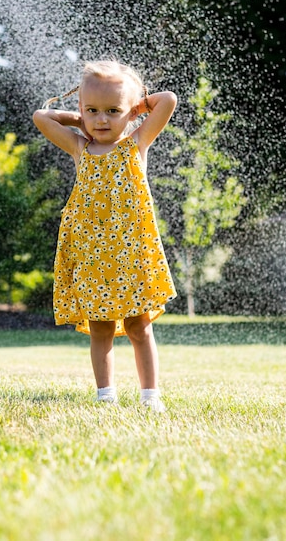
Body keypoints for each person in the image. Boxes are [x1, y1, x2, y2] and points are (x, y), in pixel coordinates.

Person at [33, 60, 177, 411]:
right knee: (100, 328)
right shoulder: (80, 148)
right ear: (82, 111)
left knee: (139, 326)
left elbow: (168, 100)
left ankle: (150, 397)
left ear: (130, 113)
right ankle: (105, 396)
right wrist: (78, 117)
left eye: (113, 111)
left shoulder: (136, 144)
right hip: (92, 255)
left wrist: (133, 110)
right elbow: (42, 117)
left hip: (132, 254)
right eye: (92, 111)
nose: (101, 120)